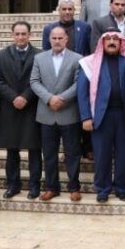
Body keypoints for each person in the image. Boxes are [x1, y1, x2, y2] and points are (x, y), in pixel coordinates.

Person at [30, 26, 83, 202]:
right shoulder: (39, 58)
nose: (57, 41)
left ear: (66, 39)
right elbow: (34, 81)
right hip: (46, 114)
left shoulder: (77, 59)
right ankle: (52, 187)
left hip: (69, 112)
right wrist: (49, 98)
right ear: (49, 39)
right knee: (49, 154)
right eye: (54, 38)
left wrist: (62, 98)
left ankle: (74, 187)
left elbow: (79, 83)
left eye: (61, 38)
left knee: (72, 153)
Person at [78, 30, 125, 203]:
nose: (111, 42)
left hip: (124, 116)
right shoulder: (89, 62)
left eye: (115, 39)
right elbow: (82, 92)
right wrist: (86, 117)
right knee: (101, 155)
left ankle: (122, 188)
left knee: (123, 154)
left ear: (121, 42)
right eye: (108, 39)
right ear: (102, 42)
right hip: (100, 116)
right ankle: (103, 189)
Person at [0, 21, 42, 200]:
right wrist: (14, 97)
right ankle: (13, 185)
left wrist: (26, 97)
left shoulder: (39, 55)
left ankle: (34, 186)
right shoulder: (2, 54)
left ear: (30, 35)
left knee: (34, 150)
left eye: (24, 34)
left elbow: (40, 79)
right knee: (12, 150)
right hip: (10, 108)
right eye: (17, 34)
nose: (20, 37)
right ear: (12, 35)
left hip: (31, 107)